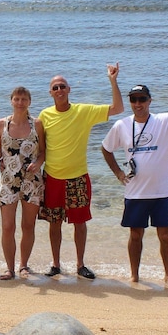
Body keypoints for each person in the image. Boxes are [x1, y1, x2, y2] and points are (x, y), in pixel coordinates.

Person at [101, 79, 168, 288]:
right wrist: (119, 173)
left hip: (161, 192)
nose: (138, 104)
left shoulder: (165, 121)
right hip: (135, 192)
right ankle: (134, 276)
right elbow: (106, 148)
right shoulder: (122, 125)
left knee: (165, 236)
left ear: (150, 101)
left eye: (142, 99)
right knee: (135, 235)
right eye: (133, 100)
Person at [38, 64, 124, 280]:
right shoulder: (44, 115)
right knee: (54, 223)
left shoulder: (83, 112)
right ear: (50, 93)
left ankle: (80, 265)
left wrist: (112, 81)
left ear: (69, 90)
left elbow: (118, 108)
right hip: (52, 177)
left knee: (80, 223)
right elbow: (37, 145)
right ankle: (56, 264)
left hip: (78, 177)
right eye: (55, 87)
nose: (59, 90)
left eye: (62, 87)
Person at [0, 87, 44, 280]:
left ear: (29, 102)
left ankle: (24, 266)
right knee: (8, 226)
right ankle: (10, 268)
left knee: (28, 225)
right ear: (11, 101)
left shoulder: (37, 124)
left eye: (24, 99)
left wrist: (38, 163)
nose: (20, 102)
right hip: (8, 180)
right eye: (17, 99)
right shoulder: (1, 124)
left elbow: (44, 151)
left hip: (32, 180)